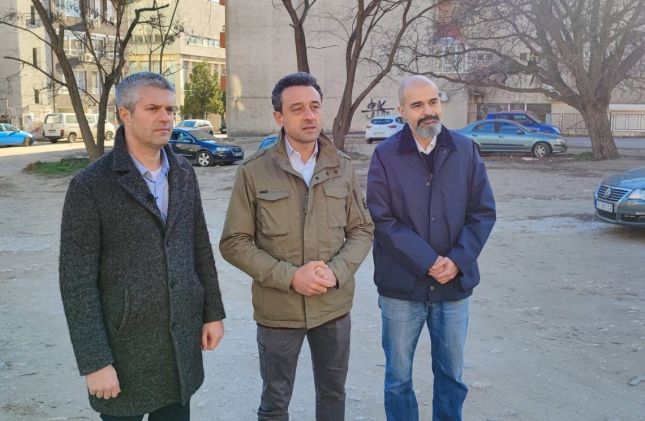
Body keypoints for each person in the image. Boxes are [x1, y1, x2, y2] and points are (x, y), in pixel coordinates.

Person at [59, 72, 226, 421]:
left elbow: (199, 246)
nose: (165, 117)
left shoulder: (183, 172)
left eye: (170, 109)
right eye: (153, 108)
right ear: (125, 114)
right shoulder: (90, 186)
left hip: (179, 348)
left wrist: (212, 312)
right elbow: (76, 282)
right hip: (124, 352)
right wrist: (95, 361)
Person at [219, 72, 374, 421]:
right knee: (275, 401)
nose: (309, 116)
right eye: (297, 108)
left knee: (333, 395)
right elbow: (234, 242)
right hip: (278, 310)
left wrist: (336, 272)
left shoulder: (342, 167)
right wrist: (291, 277)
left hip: (333, 307)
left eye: (314, 107)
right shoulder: (254, 172)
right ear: (279, 117)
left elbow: (362, 229)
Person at [366, 75, 496, 421]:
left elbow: (483, 212)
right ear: (402, 111)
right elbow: (382, 218)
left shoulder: (465, 151)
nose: (428, 111)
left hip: (453, 286)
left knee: (451, 377)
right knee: (398, 379)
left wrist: (457, 260)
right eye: (417, 105)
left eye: (433, 102)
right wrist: (427, 261)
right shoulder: (385, 156)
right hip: (401, 288)